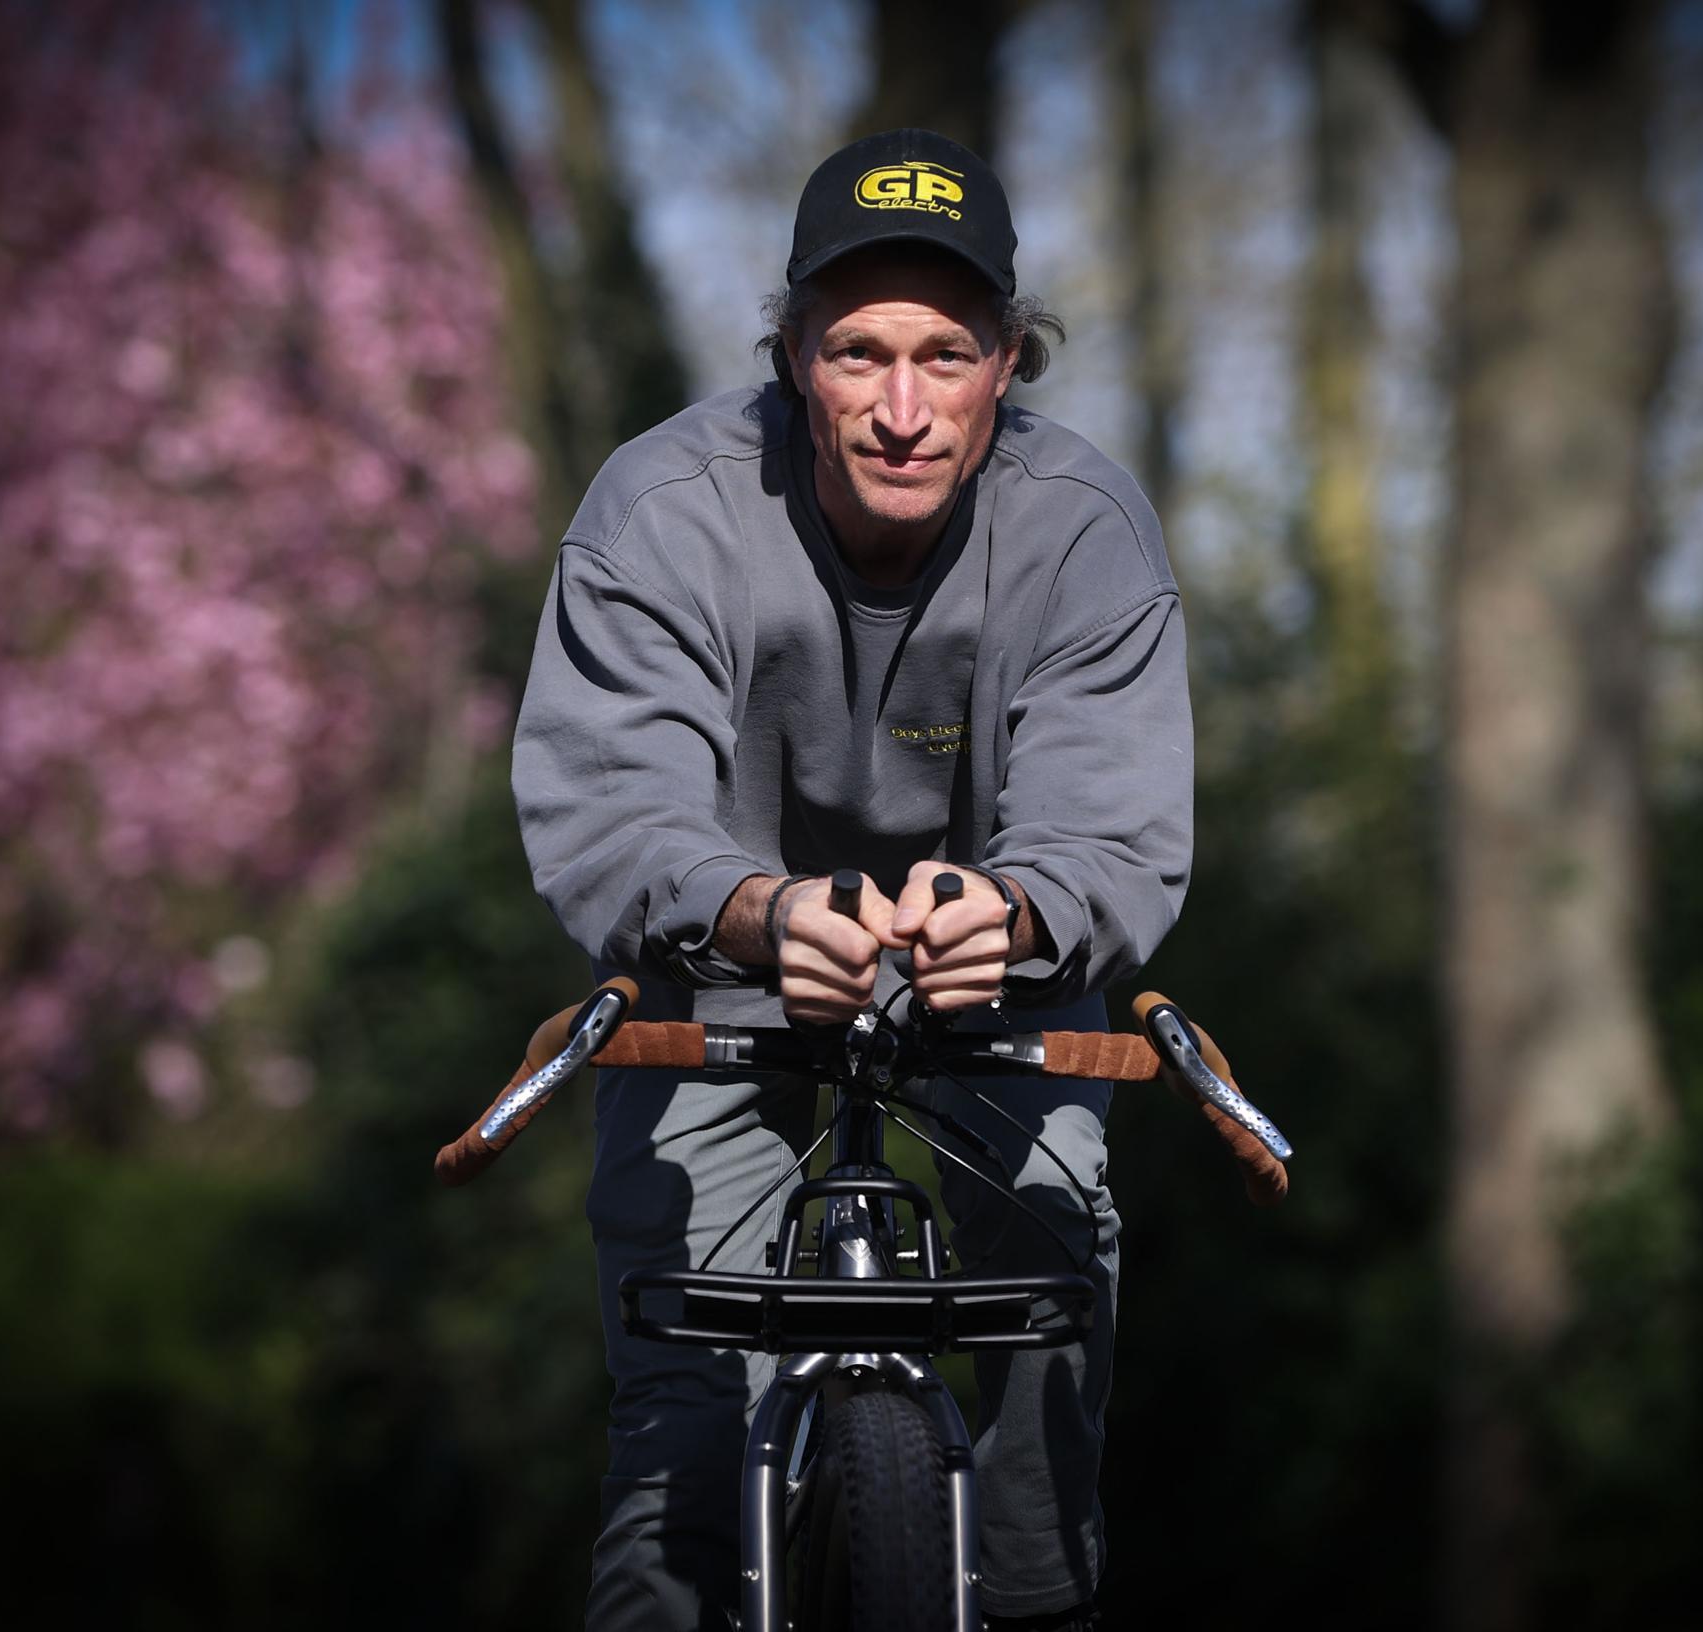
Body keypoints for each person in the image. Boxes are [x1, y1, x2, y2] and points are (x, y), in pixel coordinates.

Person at [511, 127, 1192, 1632]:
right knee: (686, 1447)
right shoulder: (660, 511)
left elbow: (1114, 828)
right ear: (791, 358)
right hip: (717, 978)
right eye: (857, 355)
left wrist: (1015, 912)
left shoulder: (1086, 531)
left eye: (945, 356)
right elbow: (609, 806)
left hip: (1001, 977)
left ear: (1008, 364)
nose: (901, 410)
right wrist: (758, 912)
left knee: (1055, 1280)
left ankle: (1033, 1599)